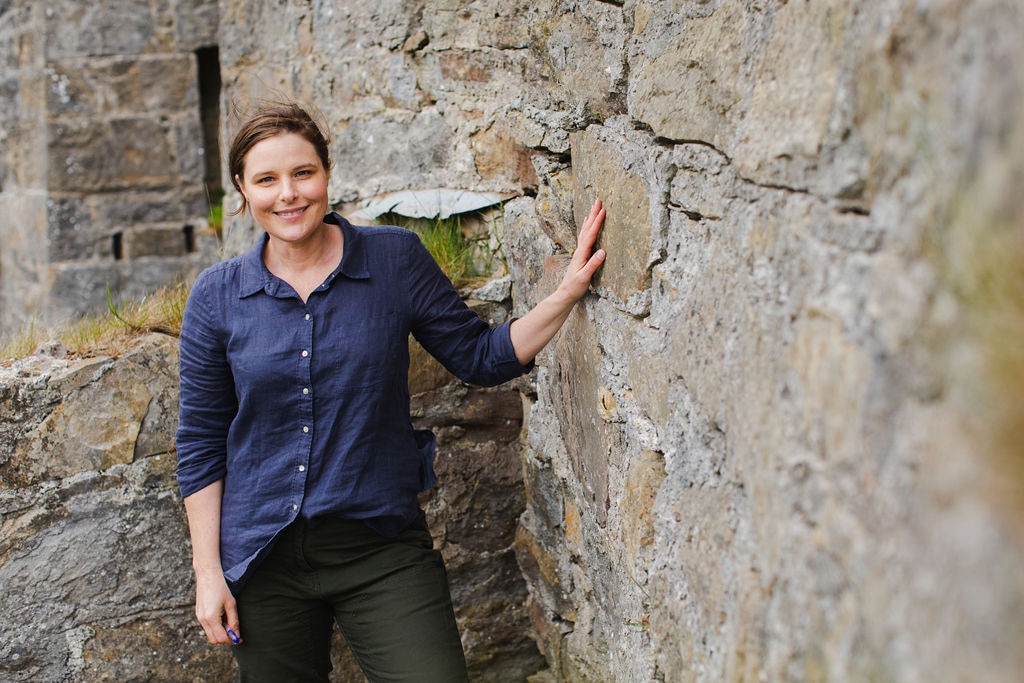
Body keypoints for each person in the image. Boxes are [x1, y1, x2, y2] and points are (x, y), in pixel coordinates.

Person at [175, 101, 606, 682]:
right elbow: (201, 444)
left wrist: (566, 292)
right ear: (242, 189)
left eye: (303, 173)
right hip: (260, 560)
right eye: (267, 180)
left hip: (379, 547)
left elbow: (480, 357)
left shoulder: (394, 259)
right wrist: (209, 575)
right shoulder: (216, 297)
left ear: (327, 171)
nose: (289, 195)